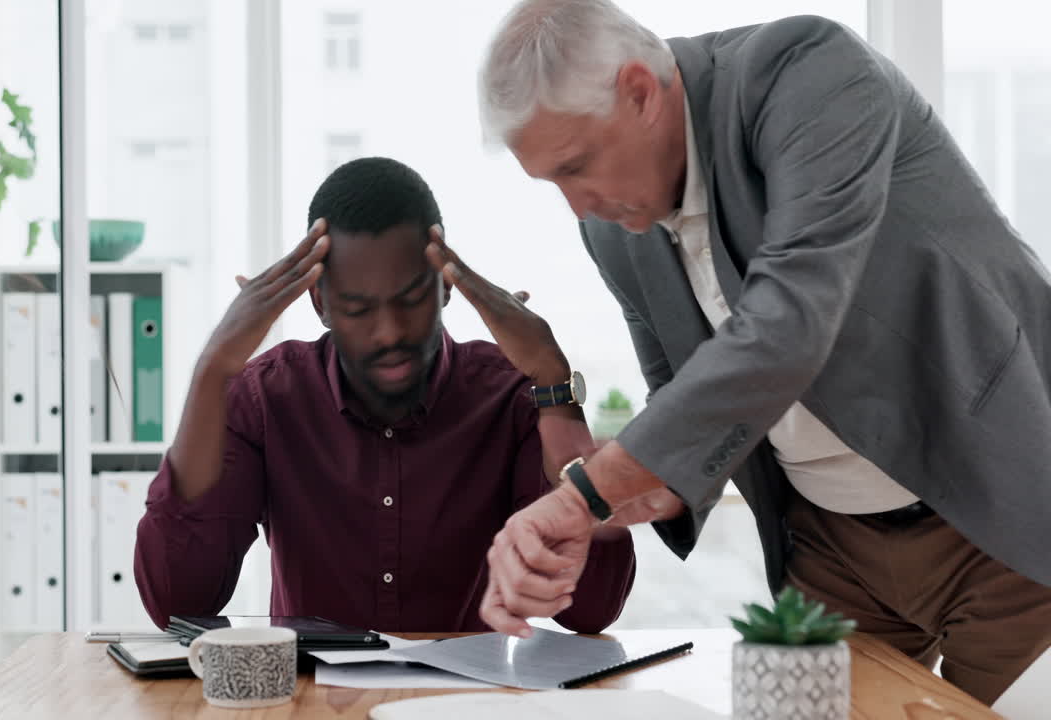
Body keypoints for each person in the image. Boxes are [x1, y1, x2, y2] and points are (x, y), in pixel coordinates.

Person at [472, 0, 1051, 705]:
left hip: (1001, 514)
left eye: (577, 166)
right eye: (552, 183)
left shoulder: (808, 72)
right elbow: (688, 405)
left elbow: (789, 319)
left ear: (639, 91)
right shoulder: (615, 234)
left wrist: (581, 498)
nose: (578, 207)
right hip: (834, 553)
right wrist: (635, 492)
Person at [135, 156, 635, 633]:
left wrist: (552, 377)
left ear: (445, 288)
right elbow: (177, 602)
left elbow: (593, 607)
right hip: (311, 709)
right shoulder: (264, 398)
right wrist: (211, 372)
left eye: (411, 300)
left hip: (468, 710)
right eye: (357, 309)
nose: (389, 332)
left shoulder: (511, 395)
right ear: (319, 303)